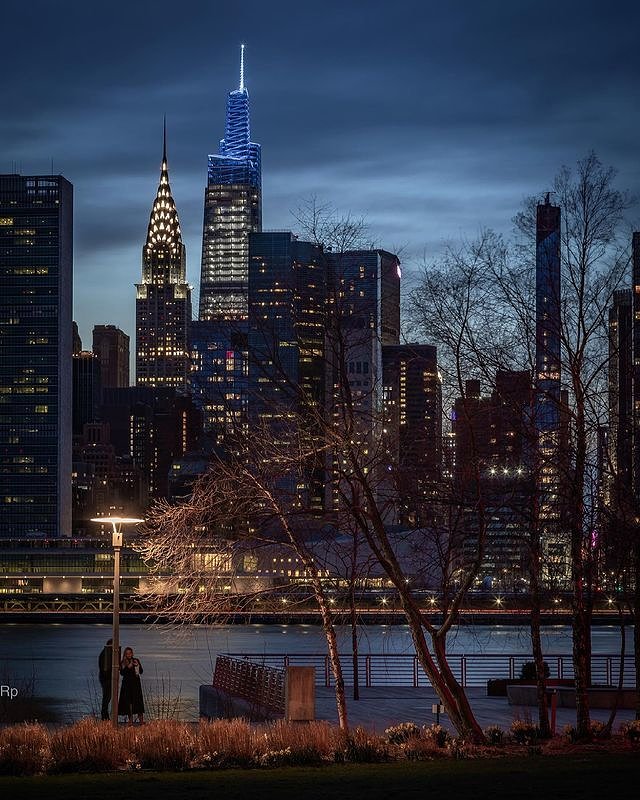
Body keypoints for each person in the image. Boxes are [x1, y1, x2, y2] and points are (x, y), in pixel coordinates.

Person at [118, 646, 145, 724]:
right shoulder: (123, 662)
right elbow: (122, 673)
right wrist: (128, 667)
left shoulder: (136, 660)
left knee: (138, 702)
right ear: (125, 654)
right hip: (126, 685)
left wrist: (137, 665)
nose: (129, 655)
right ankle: (130, 720)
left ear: (132, 653)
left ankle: (141, 721)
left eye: (130, 653)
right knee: (128, 702)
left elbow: (141, 671)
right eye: (127, 653)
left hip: (136, 684)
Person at [98, 638, 113, 721]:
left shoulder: (106, 653)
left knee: (107, 697)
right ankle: (104, 716)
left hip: (106, 678)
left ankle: (105, 716)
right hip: (106, 679)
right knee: (106, 697)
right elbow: (105, 668)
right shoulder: (106, 653)